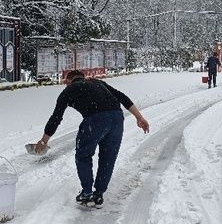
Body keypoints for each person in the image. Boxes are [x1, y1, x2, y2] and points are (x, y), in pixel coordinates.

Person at [34, 70, 150, 208]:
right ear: (84, 77)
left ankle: (87, 193)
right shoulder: (98, 82)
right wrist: (139, 117)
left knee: (83, 155)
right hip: (117, 118)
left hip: (95, 120)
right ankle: (99, 194)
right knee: (108, 157)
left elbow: (56, 118)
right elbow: (122, 97)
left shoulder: (68, 90)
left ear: (67, 81)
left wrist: (44, 141)